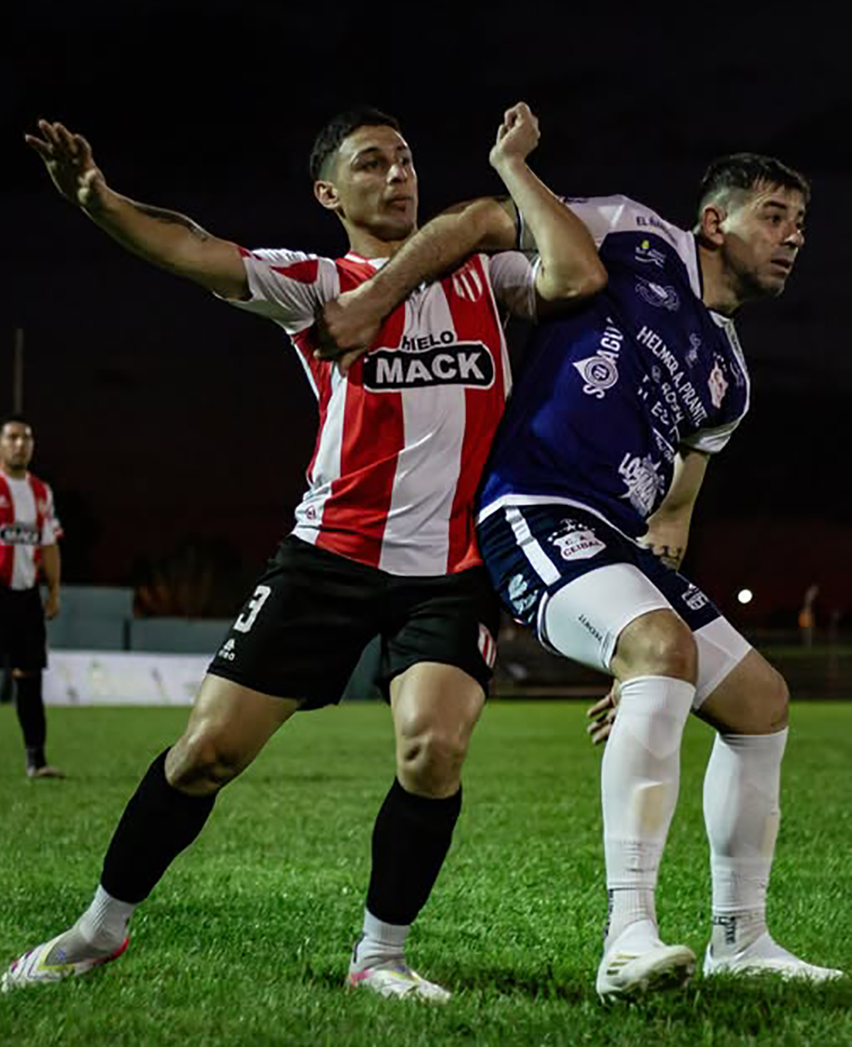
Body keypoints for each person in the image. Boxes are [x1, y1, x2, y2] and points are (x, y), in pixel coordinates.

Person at [0, 104, 605, 997]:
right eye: (371, 164)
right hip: (328, 556)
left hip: (450, 570)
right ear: (329, 192)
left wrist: (513, 172)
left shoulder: (488, 274)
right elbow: (192, 247)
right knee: (206, 753)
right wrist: (99, 200)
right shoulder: (316, 282)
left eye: (404, 160)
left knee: (432, 750)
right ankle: (97, 929)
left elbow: (578, 270)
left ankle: (381, 956)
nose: (397, 175)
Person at [314, 155, 846, 998]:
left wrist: (637, 649)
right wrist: (376, 296)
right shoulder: (634, 235)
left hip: (617, 544)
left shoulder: (731, 379)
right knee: (661, 650)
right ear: (715, 222)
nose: (793, 238)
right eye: (775, 216)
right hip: (532, 506)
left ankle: (739, 937)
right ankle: (625, 936)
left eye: (799, 224)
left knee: (761, 702)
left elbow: (670, 517)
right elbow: (484, 220)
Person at [0, 416, 64, 779]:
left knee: (29, 677)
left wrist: (53, 592)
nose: (21, 444)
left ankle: (37, 760)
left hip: (26, 594)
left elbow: (48, 545)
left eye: (27, 438)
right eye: (13, 438)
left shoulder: (41, 491)